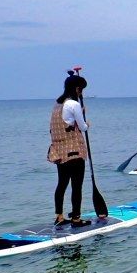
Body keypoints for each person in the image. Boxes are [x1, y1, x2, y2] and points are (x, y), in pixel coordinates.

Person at [47, 71, 92, 228]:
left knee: (62, 184)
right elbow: (83, 127)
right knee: (77, 186)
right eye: (81, 89)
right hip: (75, 151)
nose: (82, 92)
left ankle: (59, 216)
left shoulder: (57, 105)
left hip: (59, 153)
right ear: (77, 89)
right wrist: (86, 121)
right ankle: (76, 219)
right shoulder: (73, 104)